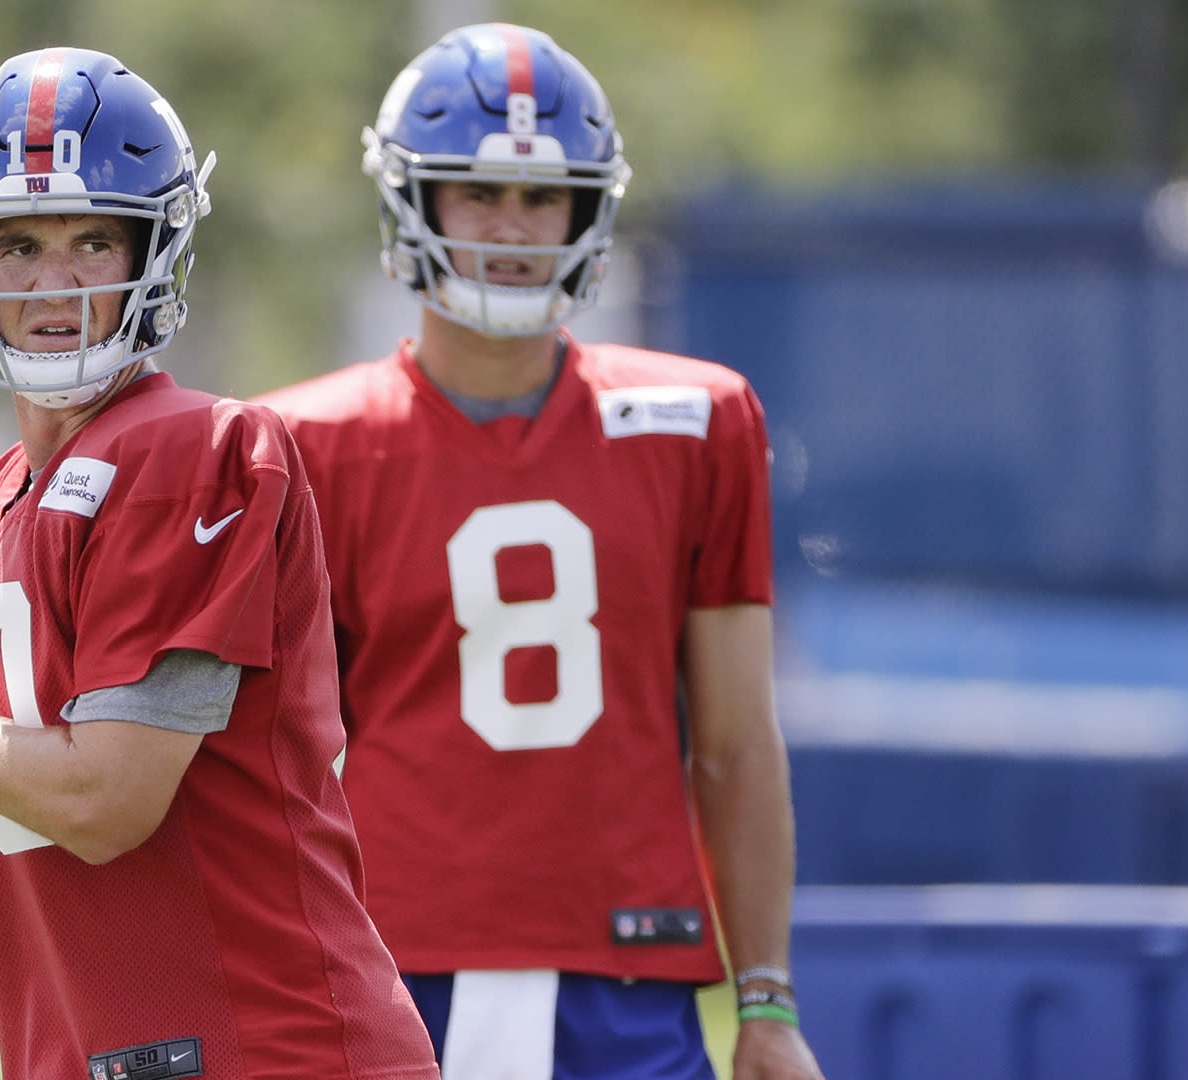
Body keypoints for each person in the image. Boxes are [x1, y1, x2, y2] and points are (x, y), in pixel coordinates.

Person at [0, 47, 440, 1080]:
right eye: (19, 244)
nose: (58, 283)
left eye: (95, 240)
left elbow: (104, 807)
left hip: (273, 1048)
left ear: (155, 251)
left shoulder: (191, 449)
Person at [254, 24, 825, 1080]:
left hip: (627, 966)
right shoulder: (295, 445)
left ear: (588, 209)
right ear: (412, 201)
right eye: (478, 191)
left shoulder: (700, 421)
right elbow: (259, 768)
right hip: (384, 964)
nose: (512, 225)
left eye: (542, 196)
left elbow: (737, 741)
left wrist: (768, 1001)